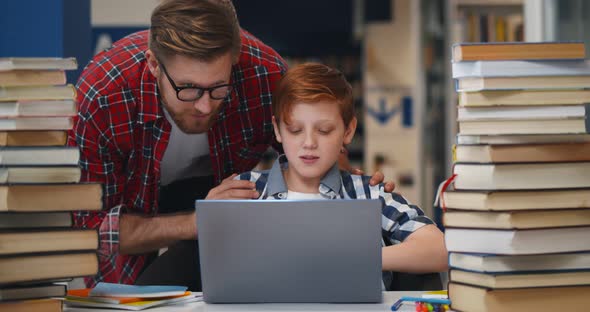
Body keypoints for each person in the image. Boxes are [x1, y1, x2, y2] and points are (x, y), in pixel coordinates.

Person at [68, 0, 393, 289]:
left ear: (235, 60)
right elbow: (89, 229)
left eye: (219, 88)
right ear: (154, 65)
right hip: (131, 243)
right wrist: (200, 220)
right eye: (188, 89)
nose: (205, 107)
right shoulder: (103, 95)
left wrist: (355, 190)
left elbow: (310, 160)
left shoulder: (265, 76)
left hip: (231, 248)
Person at [233, 63, 448, 288]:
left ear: (348, 131)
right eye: (295, 130)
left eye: (324, 130)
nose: (308, 143)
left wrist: (353, 259)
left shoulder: (369, 193)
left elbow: (439, 249)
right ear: (277, 130)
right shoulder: (244, 191)